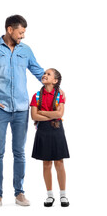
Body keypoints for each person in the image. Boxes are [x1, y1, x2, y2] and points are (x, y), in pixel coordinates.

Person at [0, 15, 65, 208]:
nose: (23, 36)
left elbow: (38, 71)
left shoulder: (25, 50)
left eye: (24, 32)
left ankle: (19, 193)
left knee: (19, 152)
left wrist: (56, 88)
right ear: (10, 30)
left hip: (21, 109)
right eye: (21, 32)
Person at [30, 68, 70, 207]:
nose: (44, 75)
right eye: (44, 73)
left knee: (59, 162)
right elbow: (34, 116)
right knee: (46, 163)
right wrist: (51, 114)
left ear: (55, 80)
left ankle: (63, 195)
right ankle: (50, 195)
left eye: (48, 74)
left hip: (57, 129)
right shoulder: (36, 96)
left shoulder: (60, 94)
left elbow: (60, 115)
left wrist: (42, 112)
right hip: (43, 131)